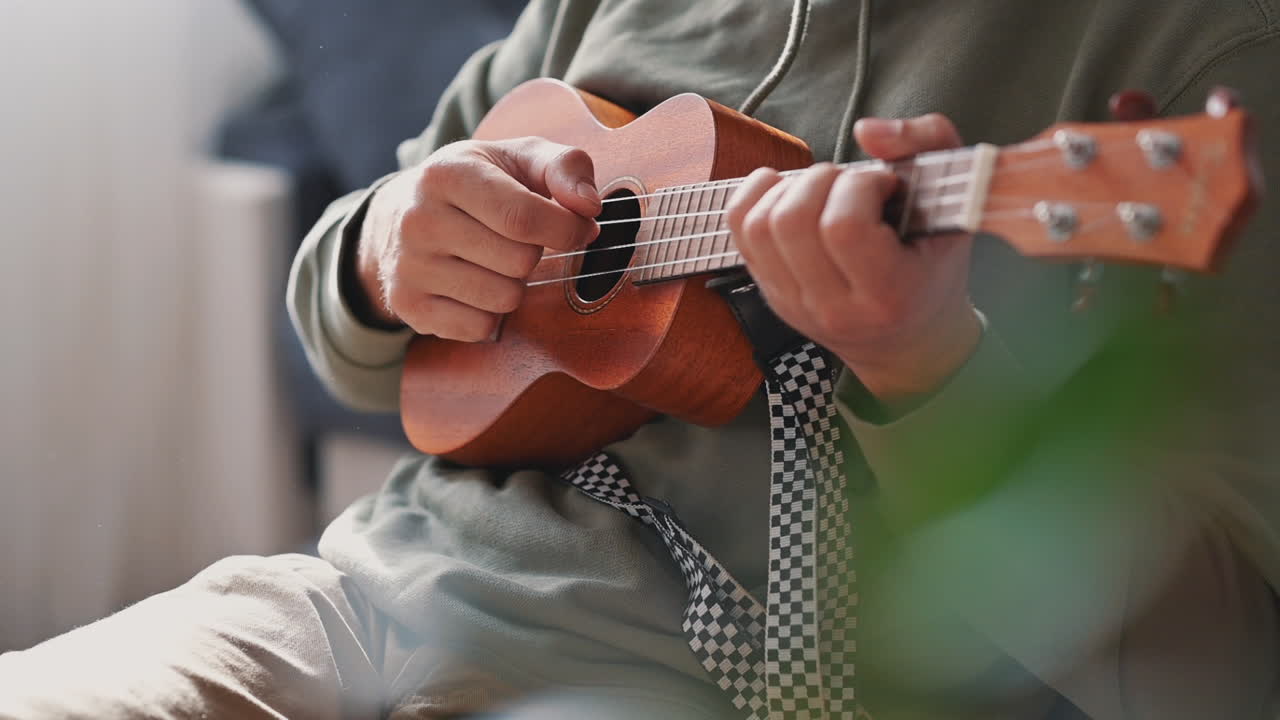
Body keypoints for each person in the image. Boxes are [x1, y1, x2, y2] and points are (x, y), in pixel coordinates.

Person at [3, 1, 1278, 717]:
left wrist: (926, 362)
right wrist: (379, 250)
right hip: (365, 606)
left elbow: (1219, 670)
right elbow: (374, 353)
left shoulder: (1196, 53)